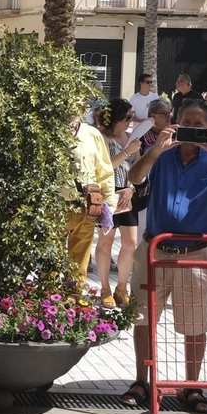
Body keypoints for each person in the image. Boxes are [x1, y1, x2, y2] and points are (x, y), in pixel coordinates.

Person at [120, 99, 207, 412]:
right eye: (186, 122)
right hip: (153, 251)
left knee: (195, 325)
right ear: (176, 122)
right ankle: (142, 381)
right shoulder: (160, 155)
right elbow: (134, 177)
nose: (192, 129)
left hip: (195, 255)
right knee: (144, 320)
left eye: (199, 124)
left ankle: (192, 386)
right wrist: (155, 151)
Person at [93, 99, 141, 305]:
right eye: (126, 118)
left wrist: (131, 188)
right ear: (114, 119)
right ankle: (105, 288)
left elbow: (138, 168)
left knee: (130, 243)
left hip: (127, 196)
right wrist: (127, 151)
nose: (130, 122)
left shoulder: (131, 138)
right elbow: (106, 167)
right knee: (105, 243)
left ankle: (122, 288)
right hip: (107, 195)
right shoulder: (101, 139)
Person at [67, 101, 116, 288]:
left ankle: (75, 300)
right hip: (55, 207)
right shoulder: (49, 132)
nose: (75, 107)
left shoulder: (92, 134)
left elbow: (104, 170)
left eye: (79, 104)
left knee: (80, 261)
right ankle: (49, 302)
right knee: (51, 260)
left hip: (86, 207)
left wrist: (109, 205)